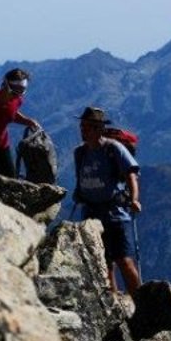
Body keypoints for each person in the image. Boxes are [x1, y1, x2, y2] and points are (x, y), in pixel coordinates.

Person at [72, 106, 142, 294]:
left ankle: (142, 306)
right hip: (91, 213)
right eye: (81, 127)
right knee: (102, 262)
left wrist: (134, 199)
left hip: (115, 213)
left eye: (86, 127)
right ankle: (113, 301)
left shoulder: (113, 149)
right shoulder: (80, 152)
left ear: (98, 129)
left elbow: (131, 175)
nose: (82, 131)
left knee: (124, 261)